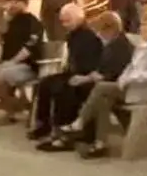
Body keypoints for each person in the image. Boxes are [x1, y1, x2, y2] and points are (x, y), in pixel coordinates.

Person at [63, 6, 147, 158]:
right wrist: (125, 77)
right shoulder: (143, 45)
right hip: (131, 86)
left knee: (101, 87)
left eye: (145, 26)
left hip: (146, 89)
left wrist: (134, 77)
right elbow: (131, 66)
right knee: (102, 100)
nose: (141, 29)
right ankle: (99, 143)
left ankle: (81, 121)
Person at [36, 11, 135, 150]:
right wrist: (84, 77)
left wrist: (84, 79)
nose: (99, 35)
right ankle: (69, 133)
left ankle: (72, 132)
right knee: (66, 85)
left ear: (110, 29)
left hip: (117, 86)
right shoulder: (112, 43)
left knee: (72, 89)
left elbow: (108, 74)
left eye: (100, 31)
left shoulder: (121, 47)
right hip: (105, 83)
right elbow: (101, 70)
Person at [28, 2, 99, 141]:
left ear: (79, 18)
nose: (64, 24)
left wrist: (81, 76)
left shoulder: (89, 36)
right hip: (73, 72)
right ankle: (44, 124)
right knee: (45, 83)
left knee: (63, 89)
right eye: (63, 21)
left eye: (68, 21)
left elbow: (91, 63)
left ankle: (62, 129)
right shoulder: (72, 35)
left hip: (86, 75)